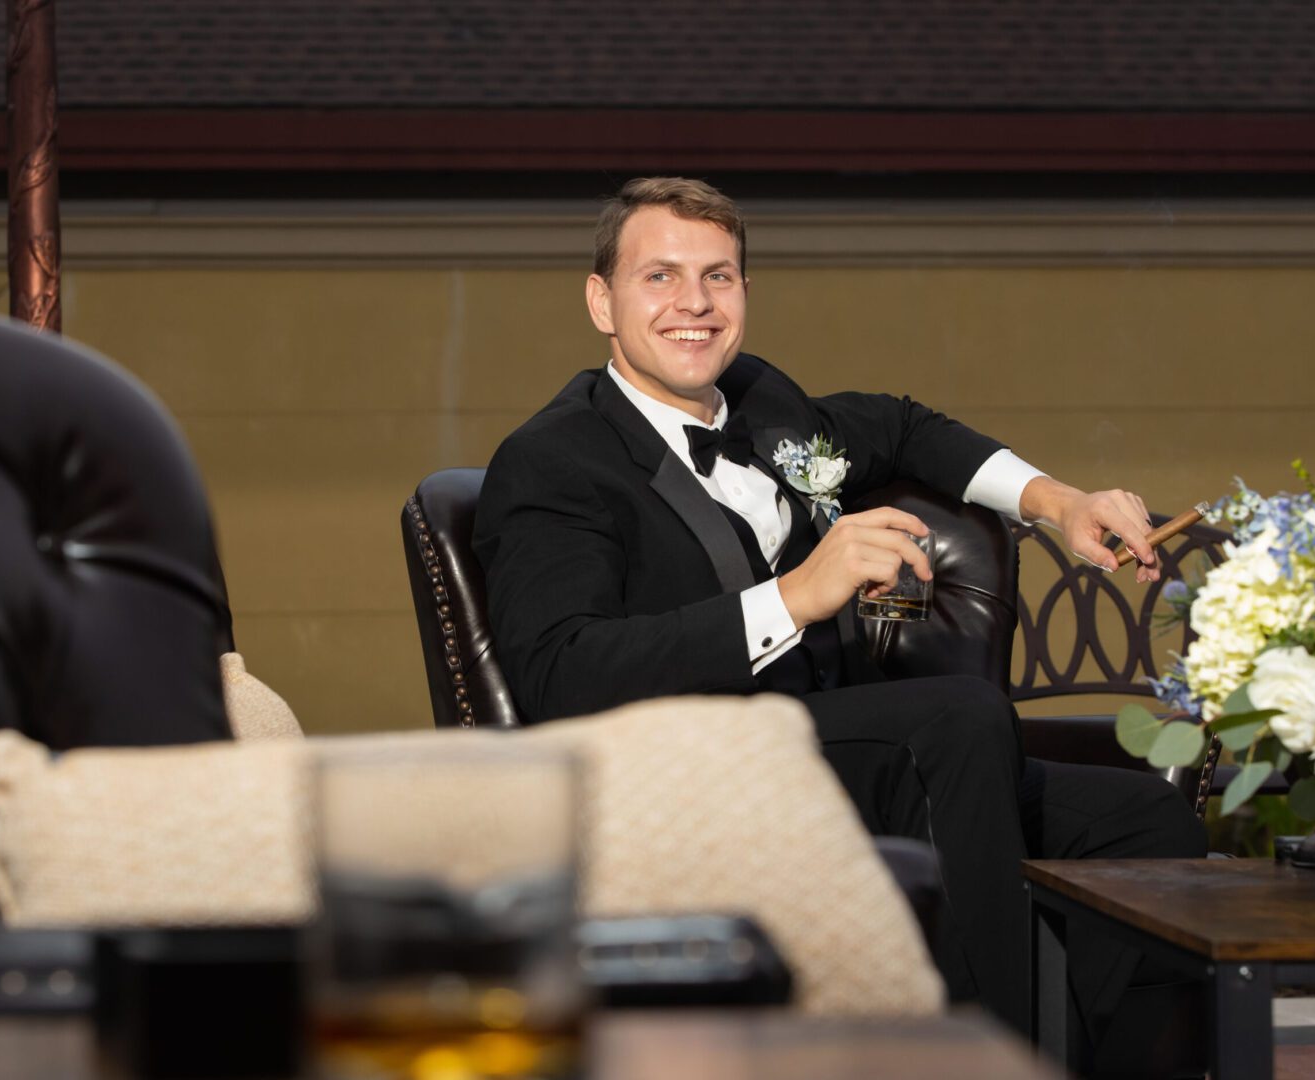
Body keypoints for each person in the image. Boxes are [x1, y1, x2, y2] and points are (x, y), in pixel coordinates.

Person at [474, 177, 1206, 1042]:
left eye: (719, 276)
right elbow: (560, 674)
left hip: (829, 748)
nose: (695, 305)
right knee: (957, 718)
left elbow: (901, 427)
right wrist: (791, 596)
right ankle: (979, 1061)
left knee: (1144, 823)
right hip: (695, 773)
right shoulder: (552, 460)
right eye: (660, 278)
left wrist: (1053, 499)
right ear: (602, 300)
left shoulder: (762, 402)